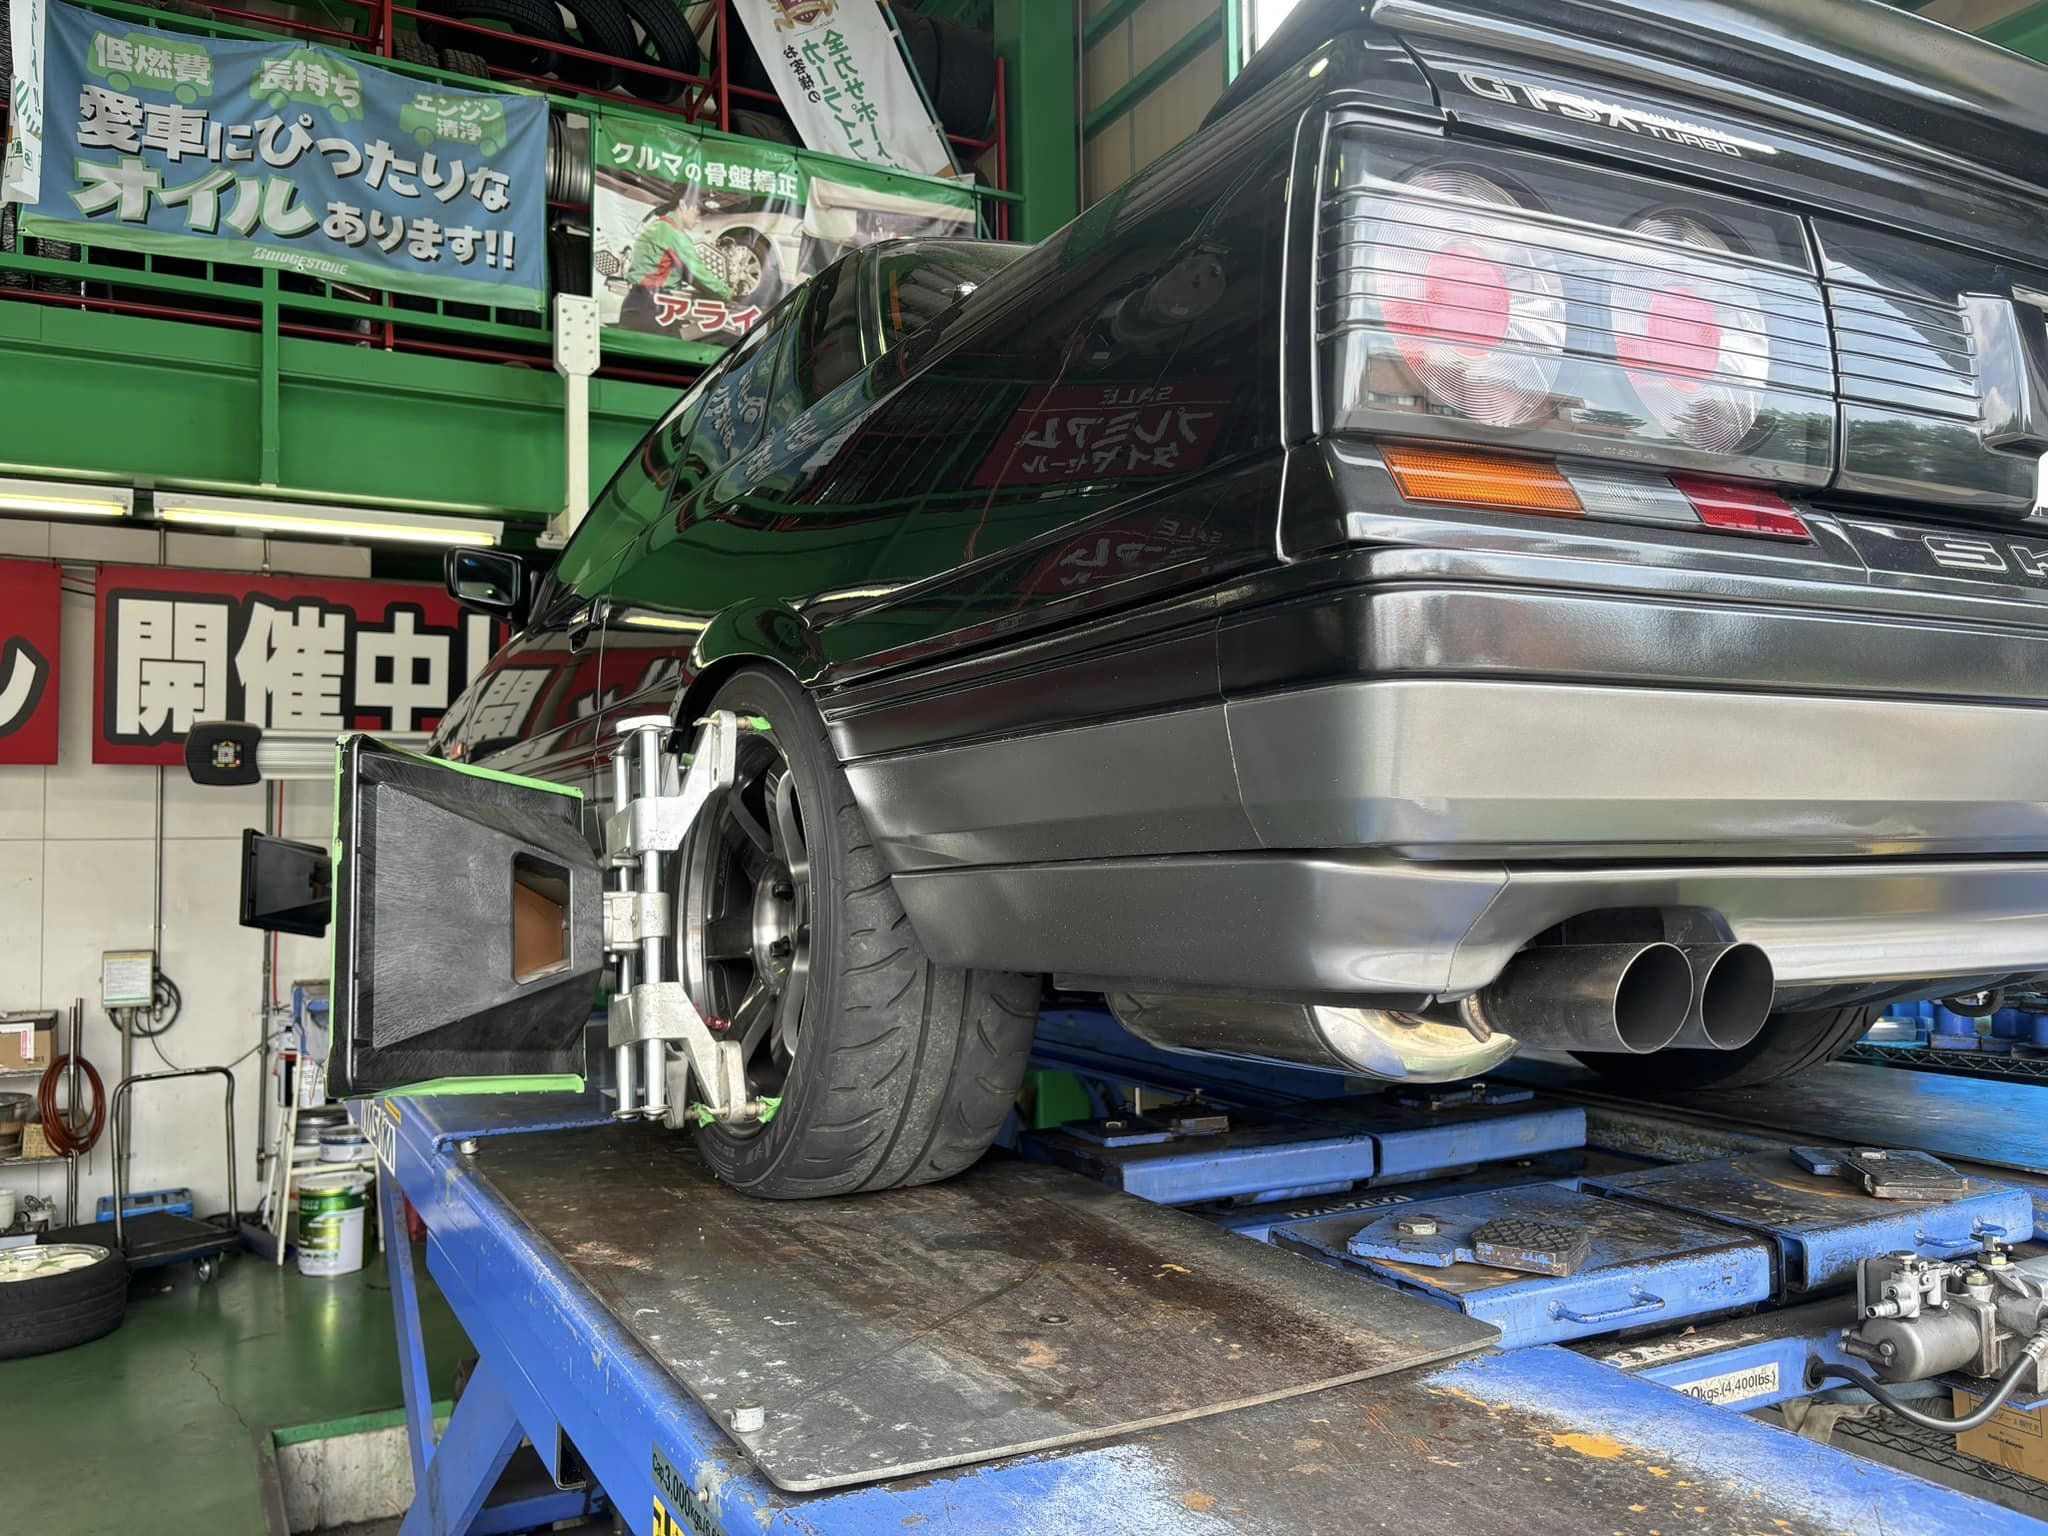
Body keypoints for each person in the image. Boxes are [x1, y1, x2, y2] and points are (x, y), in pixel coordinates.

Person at [620, 191, 733, 332]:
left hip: (634, 301)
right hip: (653, 306)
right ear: (683, 205)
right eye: (698, 213)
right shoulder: (673, 233)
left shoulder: (658, 226)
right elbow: (697, 272)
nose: (699, 220)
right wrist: (727, 293)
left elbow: (685, 274)